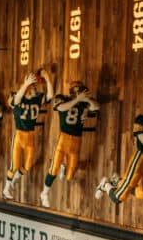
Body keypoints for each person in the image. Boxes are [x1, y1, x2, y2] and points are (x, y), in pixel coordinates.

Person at [40, 80, 100, 209]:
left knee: (70, 176)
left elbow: (96, 107)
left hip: (77, 141)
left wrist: (87, 99)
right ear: (72, 91)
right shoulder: (63, 99)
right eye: (78, 91)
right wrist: (76, 100)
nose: (80, 93)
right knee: (53, 169)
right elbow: (60, 107)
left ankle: (64, 166)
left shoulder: (84, 104)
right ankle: (44, 193)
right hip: (64, 138)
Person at [3, 69, 54, 200]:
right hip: (19, 135)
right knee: (14, 165)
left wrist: (48, 80)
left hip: (31, 136)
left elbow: (49, 96)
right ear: (26, 88)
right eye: (32, 87)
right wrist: (25, 85)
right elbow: (15, 101)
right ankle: (6, 188)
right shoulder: (17, 96)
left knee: (27, 166)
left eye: (34, 86)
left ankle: (13, 180)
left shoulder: (37, 99)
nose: (35, 88)